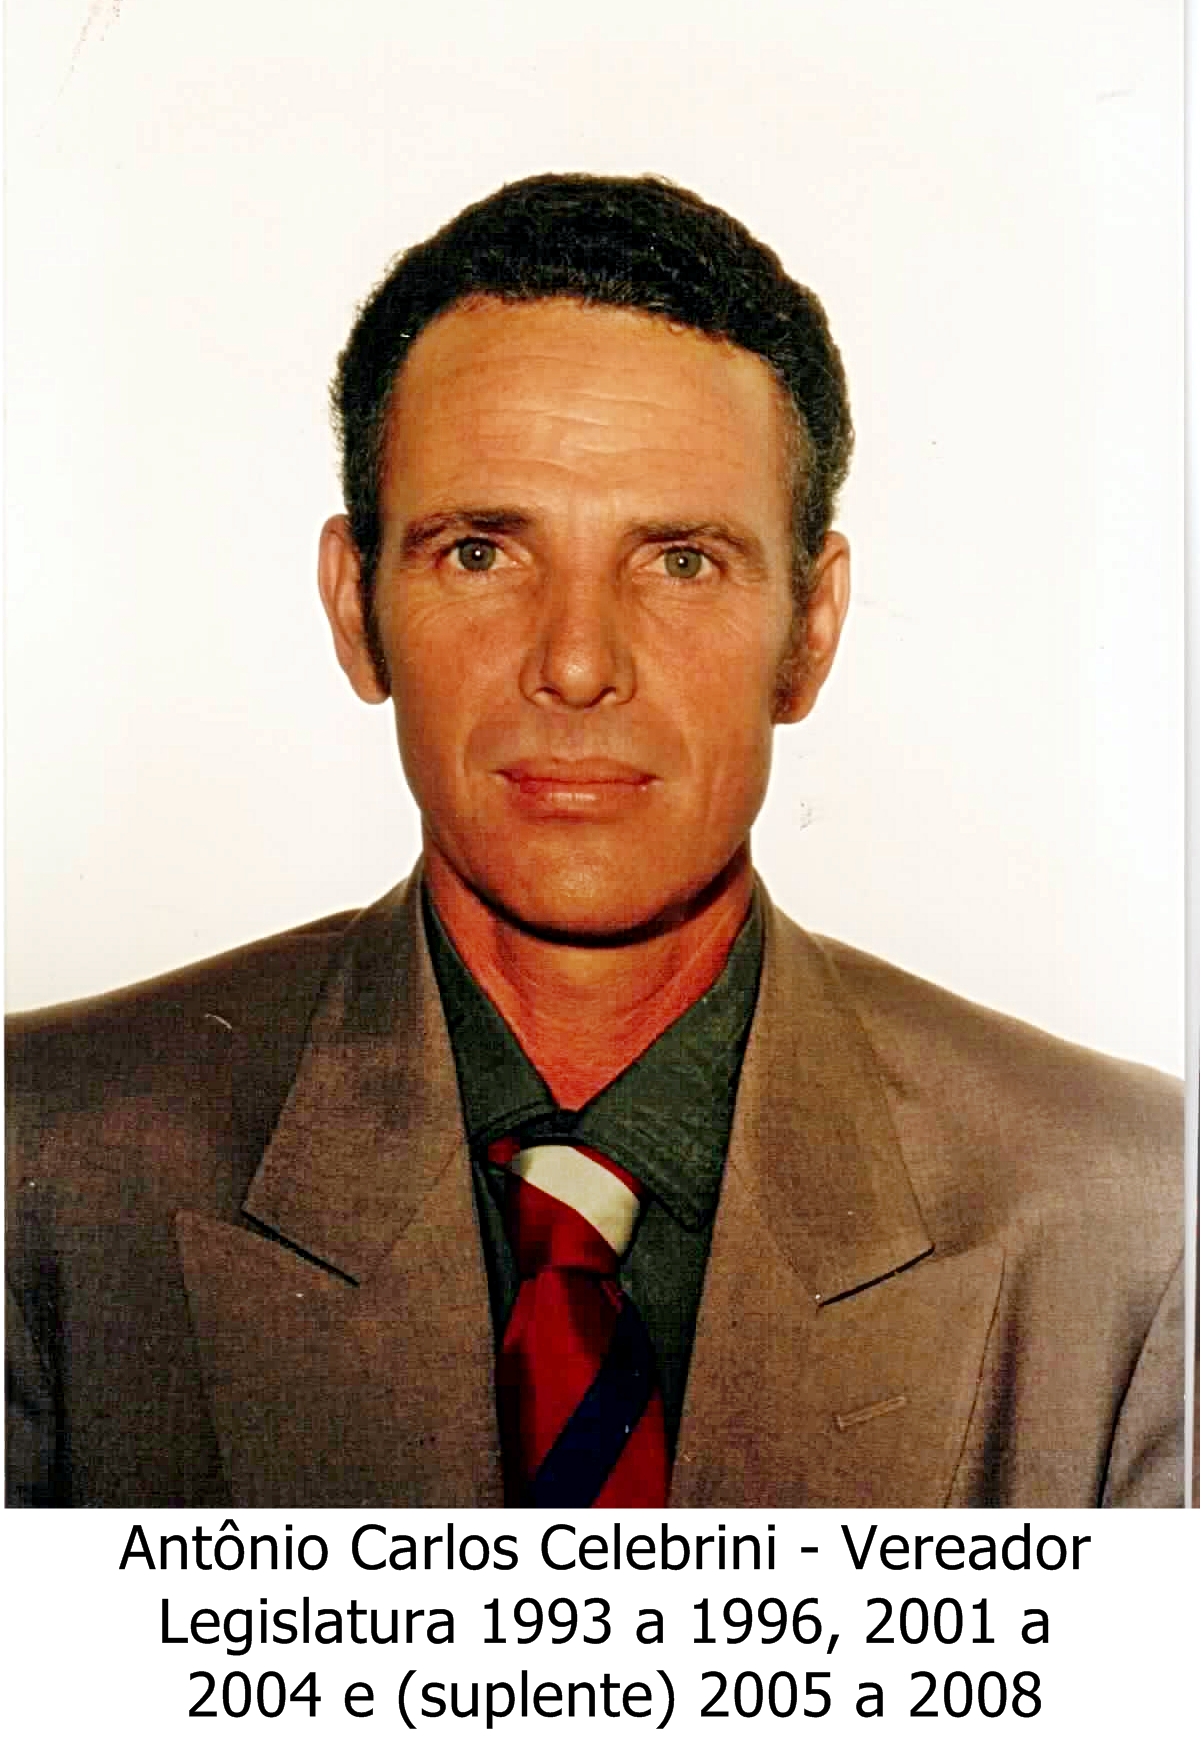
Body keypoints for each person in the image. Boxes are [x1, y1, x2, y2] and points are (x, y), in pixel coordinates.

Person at [6, 174, 1184, 1509]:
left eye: (680, 561)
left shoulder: (1140, 1224)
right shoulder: (36, 1167)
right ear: (354, 607)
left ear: (810, 632)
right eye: (479, 553)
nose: (575, 664)